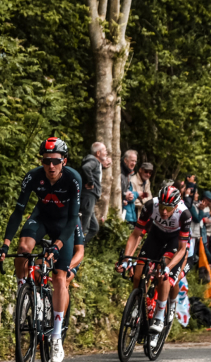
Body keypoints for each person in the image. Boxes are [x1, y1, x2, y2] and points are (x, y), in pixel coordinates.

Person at [0, 137, 82, 362]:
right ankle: (23, 289)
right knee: (23, 248)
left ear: (64, 161)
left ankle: (56, 336)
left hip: (64, 225)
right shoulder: (34, 177)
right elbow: (18, 212)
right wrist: (5, 244)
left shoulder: (73, 179)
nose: (50, 166)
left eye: (55, 161)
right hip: (41, 218)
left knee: (59, 278)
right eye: (45, 161)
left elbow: (73, 219)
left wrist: (57, 246)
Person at [116, 186, 191, 348]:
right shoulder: (151, 205)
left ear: (176, 206)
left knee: (164, 276)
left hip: (174, 240)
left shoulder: (184, 214)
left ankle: (159, 316)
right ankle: (137, 304)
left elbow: (182, 249)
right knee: (137, 274)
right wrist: (126, 259)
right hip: (156, 235)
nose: (164, 212)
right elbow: (136, 234)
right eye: (162, 207)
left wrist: (168, 268)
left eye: (168, 208)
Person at [79, 142, 109, 242]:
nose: (106, 152)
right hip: (88, 196)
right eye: (104, 150)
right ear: (98, 153)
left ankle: (79, 249)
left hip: (91, 197)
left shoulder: (96, 163)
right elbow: (86, 167)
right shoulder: (93, 161)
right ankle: (73, 251)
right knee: (83, 228)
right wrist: (90, 182)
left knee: (94, 228)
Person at [120, 150, 137, 220]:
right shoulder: (119, 172)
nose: (134, 163)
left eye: (135, 161)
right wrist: (124, 195)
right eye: (132, 161)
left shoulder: (128, 173)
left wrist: (127, 197)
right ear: (125, 160)